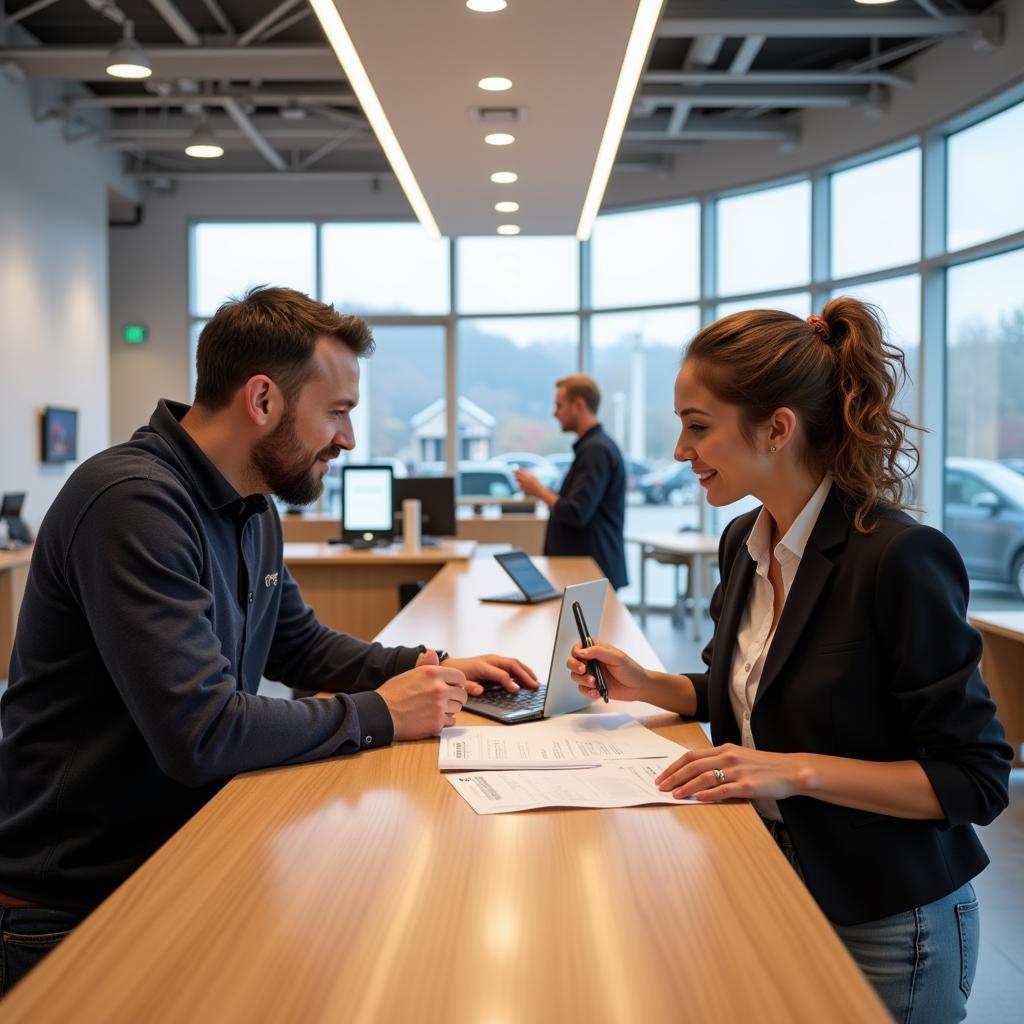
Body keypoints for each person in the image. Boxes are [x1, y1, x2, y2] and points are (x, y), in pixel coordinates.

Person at [0, 286, 537, 995]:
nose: (347, 439)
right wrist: (383, 713)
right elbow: (203, 732)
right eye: (339, 413)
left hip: (180, 855)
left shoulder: (252, 504)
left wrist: (427, 668)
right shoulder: (132, 502)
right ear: (263, 401)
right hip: (75, 904)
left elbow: (299, 647)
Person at [568, 299, 1011, 1023]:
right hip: (770, 877)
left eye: (698, 427)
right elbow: (749, 688)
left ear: (777, 428)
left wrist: (793, 769)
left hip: (889, 921)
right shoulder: (746, 539)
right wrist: (649, 685)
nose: (681, 453)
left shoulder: (899, 558)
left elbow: (976, 779)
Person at [514, 374, 627, 588]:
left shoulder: (596, 450)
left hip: (591, 574)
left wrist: (539, 490)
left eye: (559, 405)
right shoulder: (593, 448)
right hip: (587, 572)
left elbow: (576, 512)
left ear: (579, 404)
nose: (555, 413)